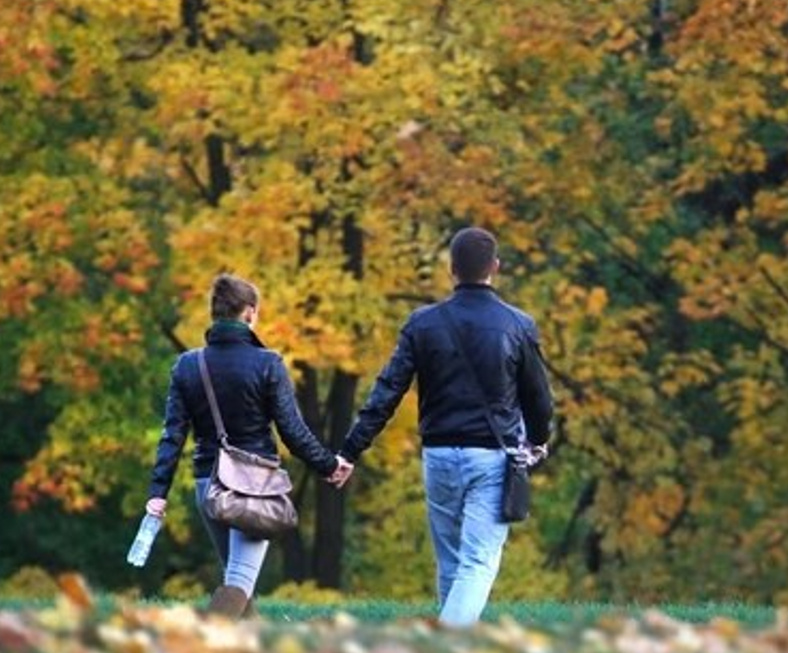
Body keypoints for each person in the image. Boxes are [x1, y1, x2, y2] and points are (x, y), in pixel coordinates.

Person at [334, 226, 554, 625]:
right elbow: (538, 398)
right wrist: (539, 441)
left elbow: (387, 391)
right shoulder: (518, 325)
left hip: (437, 456)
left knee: (451, 561)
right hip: (491, 457)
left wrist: (350, 450)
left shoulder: (423, 324)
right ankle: (442, 642)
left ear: (452, 269)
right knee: (478, 562)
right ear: (495, 267)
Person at [144, 274, 353, 617]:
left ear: (215, 313)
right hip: (252, 487)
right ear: (250, 313)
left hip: (207, 486)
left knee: (238, 581)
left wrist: (158, 491)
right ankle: (201, 649)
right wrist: (329, 465)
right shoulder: (267, 363)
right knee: (240, 580)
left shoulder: (188, 365)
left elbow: (173, 435)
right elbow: (293, 431)